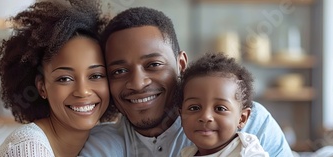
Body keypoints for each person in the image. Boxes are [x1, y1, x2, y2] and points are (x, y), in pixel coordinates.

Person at [80, 7, 293, 157]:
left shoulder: (252, 124)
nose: (137, 83)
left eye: (153, 65)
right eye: (119, 71)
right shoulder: (102, 144)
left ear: (181, 64)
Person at [0, 1, 120, 156]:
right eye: (65, 79)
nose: (83, 91)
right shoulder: (29, 148)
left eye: (96, 76)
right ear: (42, 87)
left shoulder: (101, 142)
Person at [178, 52, 268, 157]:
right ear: (181, 115)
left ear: (242, 118)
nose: (206, 117)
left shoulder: (247, 153)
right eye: (194, 108)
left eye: (220, 108)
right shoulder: (186, 153)